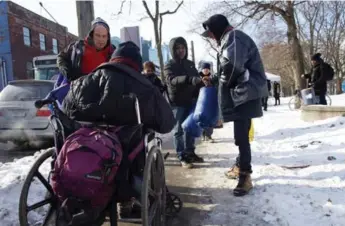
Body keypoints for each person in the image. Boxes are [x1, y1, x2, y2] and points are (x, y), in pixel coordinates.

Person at [201, 14, 268, 196]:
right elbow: (226, 69)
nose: (212, 38)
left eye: (212, 34)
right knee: (242, 135)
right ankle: (240, 166)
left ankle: (245, 176)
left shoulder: (234, 37)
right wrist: (212, 80)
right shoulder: (229, 39)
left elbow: (231, 68)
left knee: (241, 136)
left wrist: (223, 83)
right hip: (243, 93)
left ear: (217, 29)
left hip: (245, 93)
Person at [164, 36, 206, 169]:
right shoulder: (169, 65)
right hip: (177, 102)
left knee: (190, 128)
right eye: (178, 48)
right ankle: (181, 155)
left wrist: (204, 83)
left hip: (191, 101)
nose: (181, 50)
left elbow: (196, 80)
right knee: (179, 130)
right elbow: (172, 80)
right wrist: (188, 79)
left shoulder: (190, 64)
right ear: (173, 50)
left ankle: (190, 152)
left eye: (183, 48)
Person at [57, 17, 115, 82]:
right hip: (78, 87)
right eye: (97, 35)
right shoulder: (78, 47)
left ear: (108, 37)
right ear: (92, 35)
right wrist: (66, 71)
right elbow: (61, 57)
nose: (101, 39)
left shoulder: (114, 52)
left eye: (104, 36)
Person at [199, 62, 216, 143]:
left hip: (210, 100)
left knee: (210, 119)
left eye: (207, 69)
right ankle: (202, 134)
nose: (205, 70)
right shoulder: (198, 77)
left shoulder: (213, 77)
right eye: (204, 69)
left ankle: (209, 135)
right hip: (200, 101)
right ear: (202, 69)